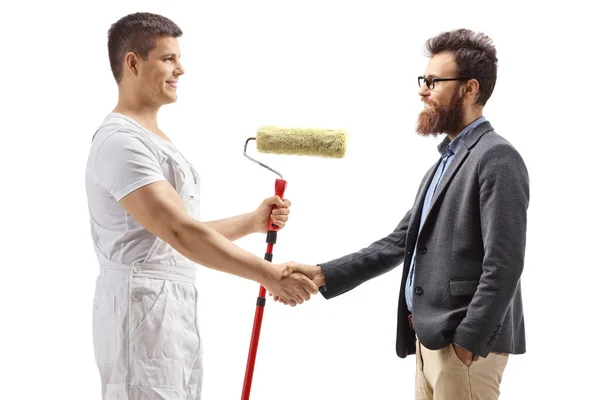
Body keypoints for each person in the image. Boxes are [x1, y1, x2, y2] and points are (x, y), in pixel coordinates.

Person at [281, 28, 530, 399]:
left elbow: (505, 262)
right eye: (423, 80)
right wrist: (322, 274)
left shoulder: (496, 157)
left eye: (433, 81)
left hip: (461, 349)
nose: (422, 89)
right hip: (429, 342)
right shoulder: (445, 163)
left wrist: (467, 342)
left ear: (470, 88)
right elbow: (400, 242)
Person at [85, 12, 317, 399]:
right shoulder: (121, 142)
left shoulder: (153, 137)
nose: (181, 69)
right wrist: (268, 274)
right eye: (168, 59)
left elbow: (170, 235)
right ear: (132, 62)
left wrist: (251, 221)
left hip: (166, 308)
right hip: (140, 309)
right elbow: (180, 231)